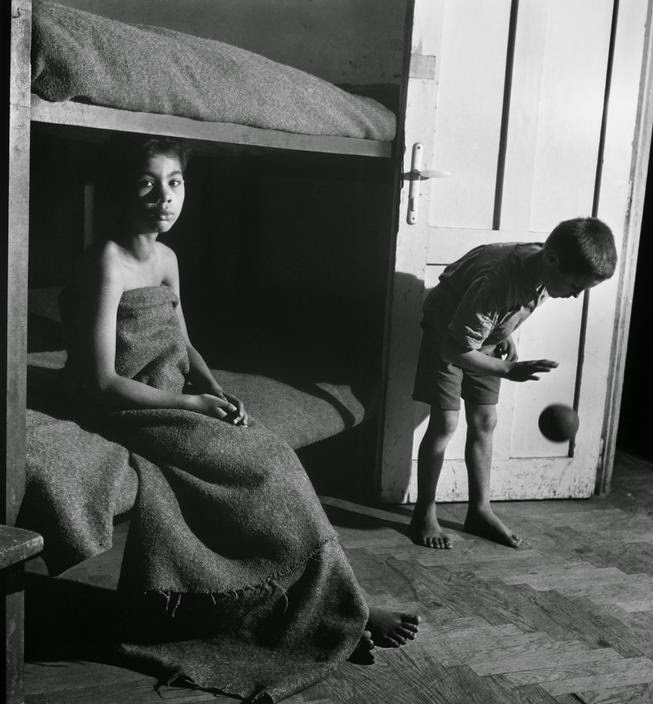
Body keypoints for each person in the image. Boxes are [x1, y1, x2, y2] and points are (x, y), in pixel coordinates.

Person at [63, 135, 418, 701]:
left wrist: (213, 387)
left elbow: (182, 341)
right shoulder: (106, 260)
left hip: (174, 395)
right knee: (263, 466)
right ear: (121, 190)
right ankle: (338, 607)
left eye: (175, 182)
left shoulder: (167, 258)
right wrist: (192, 405)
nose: (164, 197)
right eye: (147, 183)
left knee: (271, 455)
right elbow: (102, 382)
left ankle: (329, 607)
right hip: (127, 408)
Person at [410, 218, 617, 550]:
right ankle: (424, 513)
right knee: (445, 422)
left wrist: (503, 333)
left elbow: (502, 309)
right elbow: (454, 348)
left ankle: (480, 511)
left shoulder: (546, 266)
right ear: (552, 259)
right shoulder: (498, 282)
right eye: (576, 286)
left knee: (485, 420)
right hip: (447, 334)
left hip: (480, 336)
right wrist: (507, 370)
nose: (576, 295)